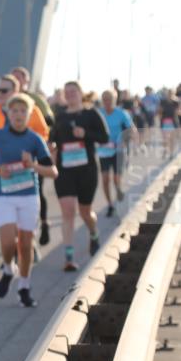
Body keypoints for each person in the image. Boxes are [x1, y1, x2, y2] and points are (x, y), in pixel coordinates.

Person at [0, 95, 58, 307]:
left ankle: (24, 287)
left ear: (29, 115)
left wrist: (33, 166)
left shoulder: (34, 139)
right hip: (5, 196)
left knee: (26, 245)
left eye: (22, 111)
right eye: (14, 111)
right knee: (8, 242)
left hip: (28, 196)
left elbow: (53, 172)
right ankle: (9, 269)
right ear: (8, 114)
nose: (18, 115)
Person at [0, 74, 52, 247]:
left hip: (28, 168)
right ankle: (15, 247)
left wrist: (32, 154)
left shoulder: (32, 111)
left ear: (16, 91)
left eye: (4, 90)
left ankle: (32, 235)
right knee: (7, 216)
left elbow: (43, 133)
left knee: (34, 202)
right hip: (0, 172)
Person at [50, 81, 110, 272]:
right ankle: (69, 257)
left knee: (85, 212)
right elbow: (52, 139)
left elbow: (105, 138)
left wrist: (85, 133)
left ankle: (93, 232)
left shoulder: (91, 114)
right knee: (68, 211)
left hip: (87, 170)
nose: (70, 94)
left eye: (73, 91)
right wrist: (51, 147)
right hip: (65, 171)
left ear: (80, 93)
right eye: (66, 92)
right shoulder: (60, 116)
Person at [98, 90, 137, 217]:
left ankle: (118, 189)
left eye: (109, 99)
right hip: (104, 151)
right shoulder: (99, 113)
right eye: (104, 99)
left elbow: (131, 129)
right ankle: (110, 205)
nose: (107, 102)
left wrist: (124, 141)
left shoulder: (122, 113)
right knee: (105, 179)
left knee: (116, 179)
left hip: (118, 151)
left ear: (114, 100)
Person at [158, 87, 181, 158]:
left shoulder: (176, 102)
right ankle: (165, 150)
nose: (170, 94)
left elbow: (180, 112)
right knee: (165, 138)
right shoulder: (163, 101)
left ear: (174, 93)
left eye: (171, 93)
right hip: (164, 121)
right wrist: (160, 114)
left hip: (173, 121)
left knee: (172, 139)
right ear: (167, 94)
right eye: (169, 93)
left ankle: (171, 153)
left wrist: (178, 111)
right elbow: (159, 112)